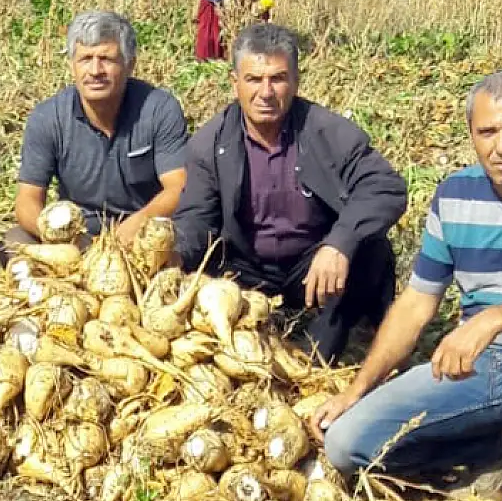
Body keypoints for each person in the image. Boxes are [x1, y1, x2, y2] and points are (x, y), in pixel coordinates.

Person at [314, 71, 502, 501]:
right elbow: (417, 303)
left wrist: (495, 318)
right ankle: (498, 448)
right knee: (346, 443)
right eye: (488, 132)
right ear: (472, 136)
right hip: (486, 366)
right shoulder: (454, 194)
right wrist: (356, 391)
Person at [172, 23, 406, 364]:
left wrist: (339, 243)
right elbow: (196, 219)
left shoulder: (327, 131)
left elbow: (386, 187)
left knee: (370, 249)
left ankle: (325, 350)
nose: (266, 92)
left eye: (277, 78)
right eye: (253, 79)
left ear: (295, 81)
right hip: (246, 268)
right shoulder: (210, 144)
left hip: (313, 264)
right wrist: (175, 254)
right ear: (234, 83)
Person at [1, 10, 189, 265]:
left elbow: (178, 187)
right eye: (85, 59)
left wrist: (136, 225)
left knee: (188, 241)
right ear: (72, 65)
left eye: (107, 59)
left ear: (129, 64)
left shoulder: (159, 109)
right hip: (78, 237)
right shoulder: (47, 118)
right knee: (15, 240)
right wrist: (60, 240)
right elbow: (27, 200)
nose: (95, 70)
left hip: (144, 231)